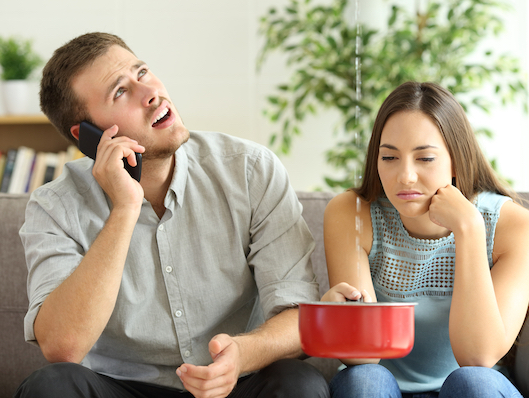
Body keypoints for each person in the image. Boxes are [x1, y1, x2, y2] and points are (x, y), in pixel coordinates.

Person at [16, 32, 330, 398]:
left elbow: (300, 319)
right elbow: (62, 348)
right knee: (51, 387)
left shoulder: (250, 170)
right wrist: (125, 208)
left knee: (300, 384)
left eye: (143, 72)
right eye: (120, 92)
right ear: (87, 135)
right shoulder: (53, 207)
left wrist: (242, 355)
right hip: (122, 388)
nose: (150, 93)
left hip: (234, 382)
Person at [321, 81, 529, 397]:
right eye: (389, 158)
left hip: (471, 389)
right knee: (366, 381)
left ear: (456, 160)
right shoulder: (352, 213)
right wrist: (334, 317)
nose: (405, 176)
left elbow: (478, 358)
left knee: (473, 382)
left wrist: (469, 230)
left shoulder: (513, 225)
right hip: (379, 388)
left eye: (425, 158)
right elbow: (364, 354)